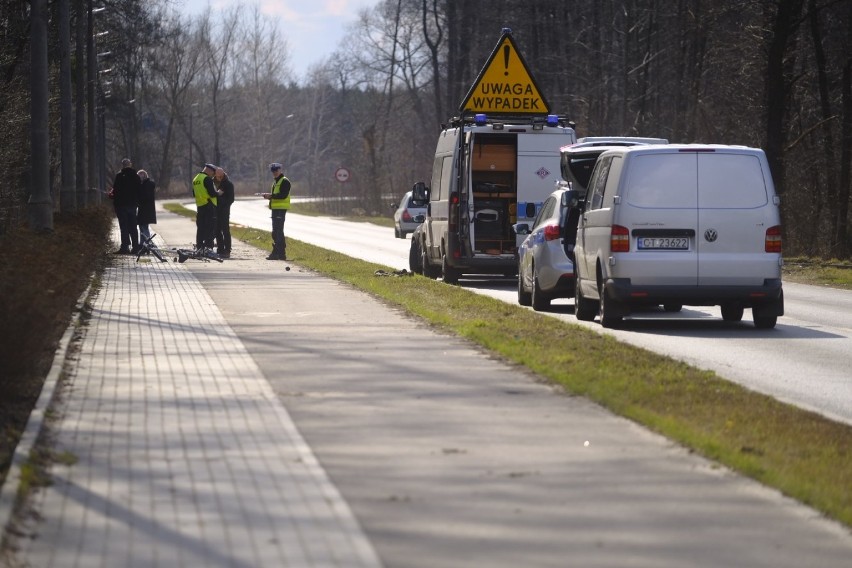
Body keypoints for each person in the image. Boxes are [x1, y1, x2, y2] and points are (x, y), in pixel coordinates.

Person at [260, 162, 291, 260]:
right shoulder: (276, 182)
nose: (275, 172)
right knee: (276, 231)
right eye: (273, 171)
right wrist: (269, 197)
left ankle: (277, 253)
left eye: (276, 170)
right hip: (275, 209)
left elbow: (283, 195)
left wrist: (271, 196)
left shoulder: (285, 181)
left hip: (281, 209)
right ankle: (281, 253)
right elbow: (276, 196)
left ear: (280, 170)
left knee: (278, 231)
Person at [111, 158, 141, 254]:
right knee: (133, 226)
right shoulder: (136, 176)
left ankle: (125, 247)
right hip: (132, 205)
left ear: (122, 165)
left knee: (124, 226)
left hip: (121, 205)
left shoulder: (119, 176)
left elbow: (115, 190)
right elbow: (138, 190)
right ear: (130, 165)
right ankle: (135, 247)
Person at [192, 163, 223, 251]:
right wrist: (218, 193)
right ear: (209, 170)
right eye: (213, 173)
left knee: (200, 228)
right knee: (210, 228)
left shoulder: (196, 178)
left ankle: (199, 247)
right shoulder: (207, 179)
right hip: (209, 206)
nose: (213, 175)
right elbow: (212, 193)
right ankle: (208, 248)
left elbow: (194, 193)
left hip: (200, 206)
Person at [214, 166, 235, 258]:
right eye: (217, 176)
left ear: (223, 175)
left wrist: (221, 200)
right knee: (217, 230)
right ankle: (220, 248)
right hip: (215, 210)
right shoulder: (213, 183)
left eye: (220, 176)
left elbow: (231, 199)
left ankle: (227, 250)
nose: (218, 178)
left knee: (225, 230)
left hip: (224, 210)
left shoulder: (228, 184)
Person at [137, 170, 157, 247]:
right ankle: (143, 244)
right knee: (142, 227)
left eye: (140, 176)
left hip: (146, 209)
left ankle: (147, 244)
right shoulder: (144, 185)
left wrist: (138, 200)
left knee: (144, 227)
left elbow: (146, 197)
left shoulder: (148, 185)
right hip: (143, 210)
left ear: (144, 176)